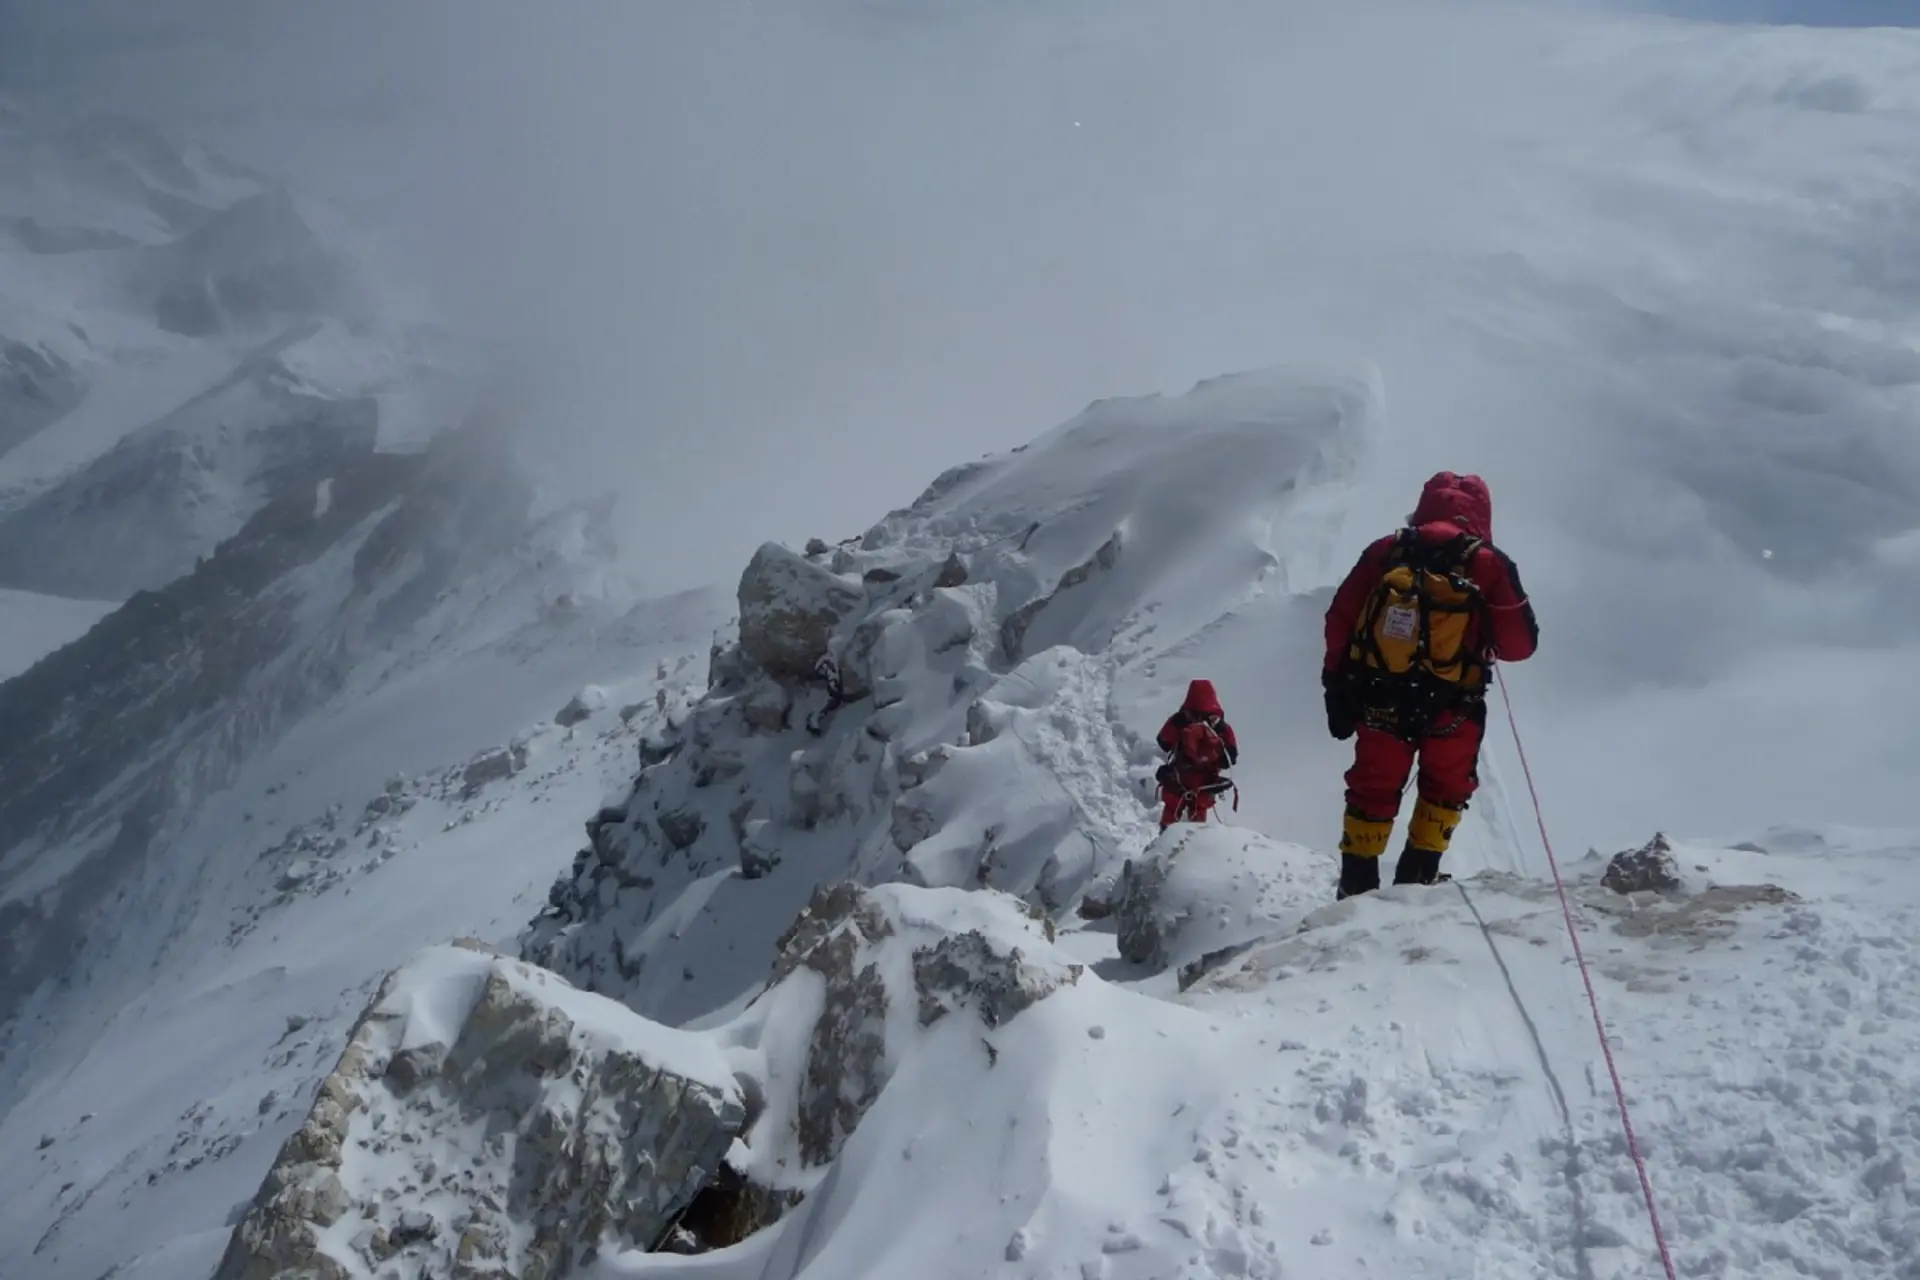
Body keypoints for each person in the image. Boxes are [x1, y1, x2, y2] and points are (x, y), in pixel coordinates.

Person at [1321, 471, 1538, 898]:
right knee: (1445, 789)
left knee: (1373, 787)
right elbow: (1520, 645)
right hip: (1454, 705)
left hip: (1380, 696)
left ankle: (1356, 887)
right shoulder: (1490, 563)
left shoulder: (1387, 550)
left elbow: (1340, 619)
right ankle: (1417, 881)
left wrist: (1336, 684)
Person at [1155, 678, 1239, 829]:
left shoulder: (1182, 719)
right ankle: (1196, 845)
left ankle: (1164, 842)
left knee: (1171, 810)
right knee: (1199, 817)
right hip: (1206, 782)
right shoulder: (1220, 726)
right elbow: (1231, 758)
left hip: (1179, 777)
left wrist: (1178, 722)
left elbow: (1163, 742)